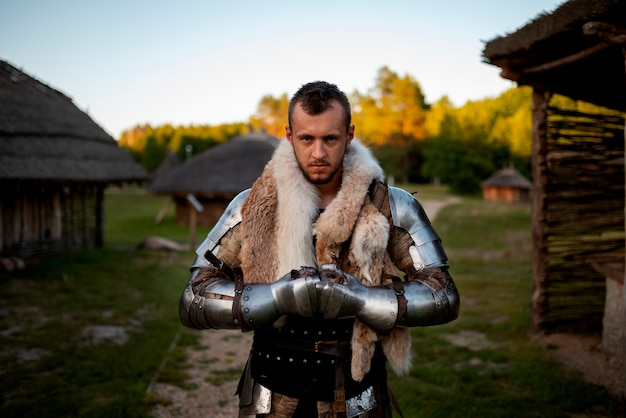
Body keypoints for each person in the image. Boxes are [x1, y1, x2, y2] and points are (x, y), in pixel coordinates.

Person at [179, 81, 460, 418]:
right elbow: (194, 297)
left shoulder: (392, 204)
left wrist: (361, 300)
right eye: (306, 138)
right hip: (271, 390)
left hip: (357, 394)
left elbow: (443, 294)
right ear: (288, 135)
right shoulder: (252, 205)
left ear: (349, 135)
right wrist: (278, 298)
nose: (318, 154)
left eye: (330, 139)